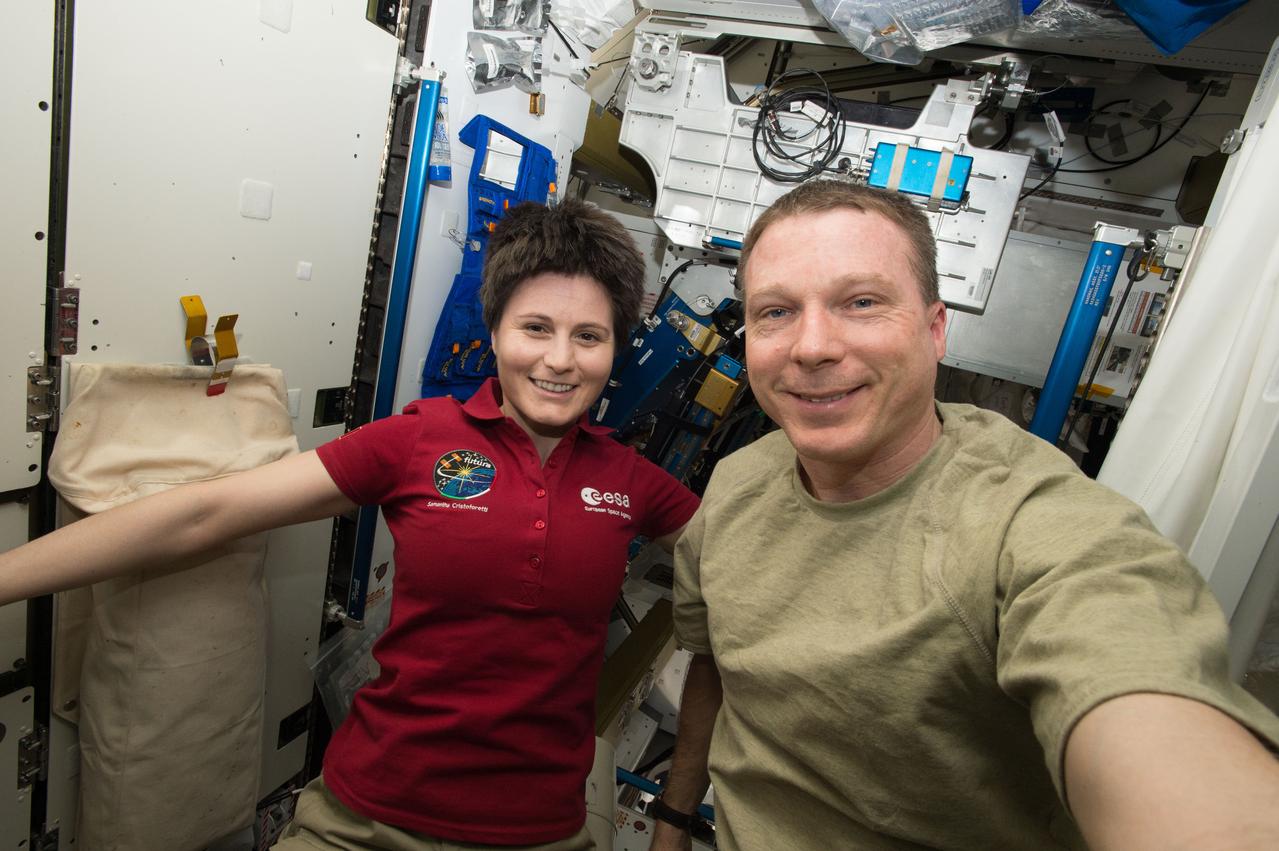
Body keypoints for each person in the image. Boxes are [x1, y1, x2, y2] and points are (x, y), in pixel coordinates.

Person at [0, 199, 700, 850]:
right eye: (535, 328)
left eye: (588, 336)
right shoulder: (418, 440)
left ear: (613, 348)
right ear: (494, 332)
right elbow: (202, 511)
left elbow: (752, 572)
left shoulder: (633, 482)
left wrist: (674, 815)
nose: (559, 359)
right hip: (364, 818)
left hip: (540, 831)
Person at [647, 180, 1279, 851]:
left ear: (935, 328)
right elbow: (715, 663)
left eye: (860, 302)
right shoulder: (739, 483)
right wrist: (674, 817)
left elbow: (1133, 684)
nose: (811, 346)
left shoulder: (1026, 523)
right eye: (775, 312)